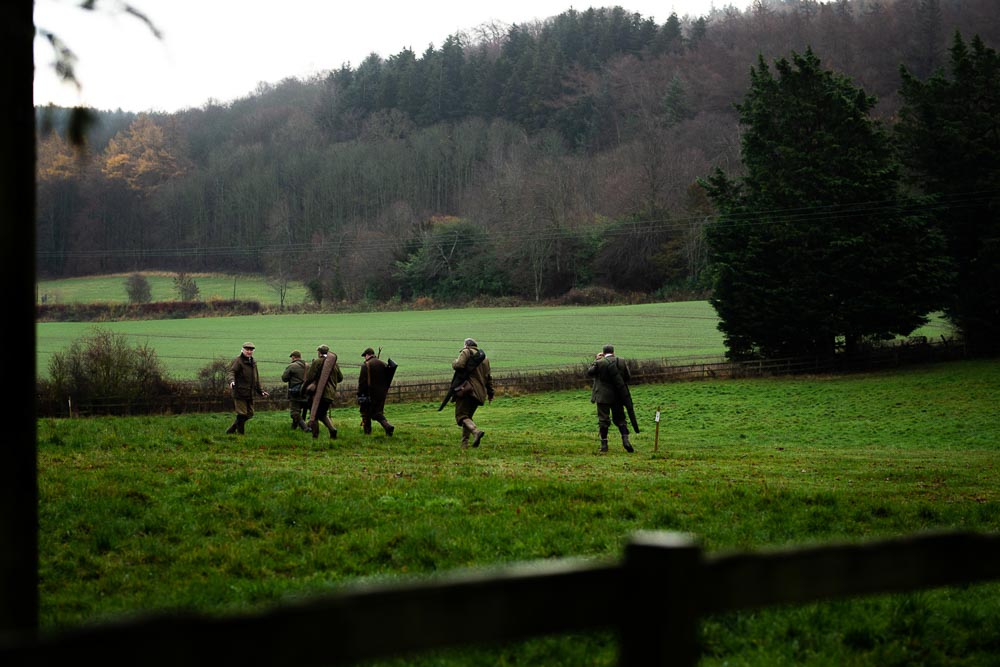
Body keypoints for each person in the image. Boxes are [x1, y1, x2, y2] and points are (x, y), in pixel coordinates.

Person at [587, 344, 634, 453]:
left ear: (603, 353)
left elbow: (590, 372)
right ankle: (625, 440)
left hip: (602, 396)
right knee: (621, 419)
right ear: (613, 352)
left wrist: (596, 360)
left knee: (603, 419)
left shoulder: (600, 363)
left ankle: (604, 445)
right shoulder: (621, 361)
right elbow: (628, 377)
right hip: (618, 395)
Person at [451, 337, 494, 448]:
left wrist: (454, 362)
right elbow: (489, 378)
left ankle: (476, 432)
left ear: (466, 345)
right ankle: (464, 444)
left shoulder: (466, 352)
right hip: (480, 393)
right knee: (467, 417)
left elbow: (459, 365)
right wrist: (491, 393)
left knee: (461, 416)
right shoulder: (485, 359)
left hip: (467, 390)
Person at [225, 342, 269, 435]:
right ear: (243, 350)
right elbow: (231, 372)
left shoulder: (253, 362)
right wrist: (232, 381)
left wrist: (261, 391)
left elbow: (256, 379)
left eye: (251, 350)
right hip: (240, 392)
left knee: (250, 414)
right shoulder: (238, 361)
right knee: (242, 414)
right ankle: (241, 434)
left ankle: (232, 429)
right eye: (247, 350)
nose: (249, 352)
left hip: (250, 393)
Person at [304, 344, 343, 440]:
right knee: (322, 414)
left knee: (315, 415)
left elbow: (310, 377)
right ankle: (332, 430)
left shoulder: (317, 362)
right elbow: (340, 378)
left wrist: (304, 388)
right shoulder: (334, 364)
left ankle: (315, 436)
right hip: (330, 395)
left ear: (319, 352)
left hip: (318, 394)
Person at [358, 347, 395, 436]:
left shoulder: (366, 365)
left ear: (367, 355)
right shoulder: (383, 364)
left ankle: (367, 434)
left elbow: (362, 383)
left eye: (365, 356)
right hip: (381, 394)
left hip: (369, 394)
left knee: (365, 413)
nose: (365, 358)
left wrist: (360, 395)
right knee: (377, 412)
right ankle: (388, 426)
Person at [281, 349, 309, 432]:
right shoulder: (308, 365)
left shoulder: (292, 366)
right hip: (307, 392)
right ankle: (293, 428)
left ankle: (305, 428)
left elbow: (284, 378)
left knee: (294, 412)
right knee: (303, 409)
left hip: (296, 392)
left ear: (293, 357)